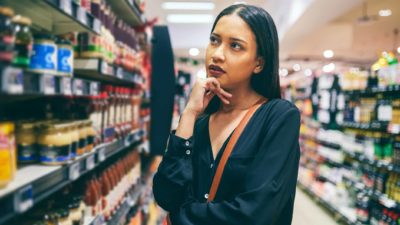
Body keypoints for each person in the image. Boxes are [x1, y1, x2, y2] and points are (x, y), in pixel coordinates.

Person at [153, 3, 300, 225]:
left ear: (259, 63)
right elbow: (166, 196)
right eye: (214, 40)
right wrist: (189, 113)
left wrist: (181, 217)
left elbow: (255, 214)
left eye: (235, 46)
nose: (217, 54)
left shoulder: (279, 117)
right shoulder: (200, 124)